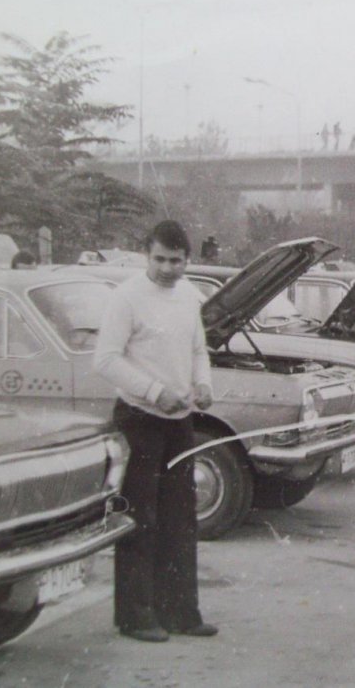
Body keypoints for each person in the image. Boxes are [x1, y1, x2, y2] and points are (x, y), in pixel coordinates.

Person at [93, 220, 218, 643]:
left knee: (181, 519)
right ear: (147, 254)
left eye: (176, 261)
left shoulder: (189, 295)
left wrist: (203, 384)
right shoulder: (126, 297)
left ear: (188, 260)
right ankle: (136, 616)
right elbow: (105, 359)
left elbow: (198, 350)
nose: (167, 268)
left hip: (179, 421)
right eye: (160, 259)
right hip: (138, 419)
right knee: (139, 518)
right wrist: (153, 391)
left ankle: (182, 613)